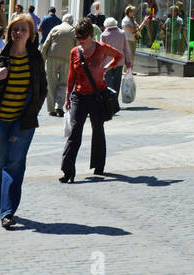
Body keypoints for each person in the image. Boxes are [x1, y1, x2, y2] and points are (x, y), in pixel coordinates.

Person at [0, 13, 47, 228]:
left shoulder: (35, 58)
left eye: (22, 29)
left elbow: (43, 89)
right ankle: (0, 207)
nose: (17, 33)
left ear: (30, 34)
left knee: (15, 165)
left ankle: (7, 212)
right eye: (14, 29)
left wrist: (33, 112)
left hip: (23, 123)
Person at [59, 19, 123, 182]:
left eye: (83, 37)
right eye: (78, 37)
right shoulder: (75, 52)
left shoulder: (101, 48)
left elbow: (118, 56)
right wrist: (67, 97)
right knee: (75, 132)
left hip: (97, 95)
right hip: (79, 96)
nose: (81, 40)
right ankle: (68, 171)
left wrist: (109, 67)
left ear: (91, 35)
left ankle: (98, 165)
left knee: (98, 129)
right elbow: (71, 76)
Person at [40, 11, 77, 116]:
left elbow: (46, 44)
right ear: (72, 21)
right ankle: (58, 106)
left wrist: (43, 59)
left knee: (51, 82)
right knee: (63, 83)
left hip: (52, 57)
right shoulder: (73, 31)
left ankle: (51, 109)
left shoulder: (55, 28)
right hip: (67, 59)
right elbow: (77, 46)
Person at [99, 17, 131, 101]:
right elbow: (125, 48)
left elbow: (101, 52)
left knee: (108, 82)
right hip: (120, 62)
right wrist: (128, 62)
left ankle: (110, 100)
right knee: (117, 82)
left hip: (107, 63)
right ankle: (115, 101)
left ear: (106, 25)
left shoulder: (103, 35)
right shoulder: (122, 33)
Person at [121, 7, 140, 73]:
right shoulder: (126, 20)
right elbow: (132, 30)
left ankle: (129, 70)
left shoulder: (132, 19)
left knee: (131, 56)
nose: (134, 13)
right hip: (127, 40)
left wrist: (138, 26)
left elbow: (137, 27)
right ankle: (126, 71)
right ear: (129, 12)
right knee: (129, 55)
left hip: (133, 39)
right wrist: (143, 24)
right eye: (133, 11)